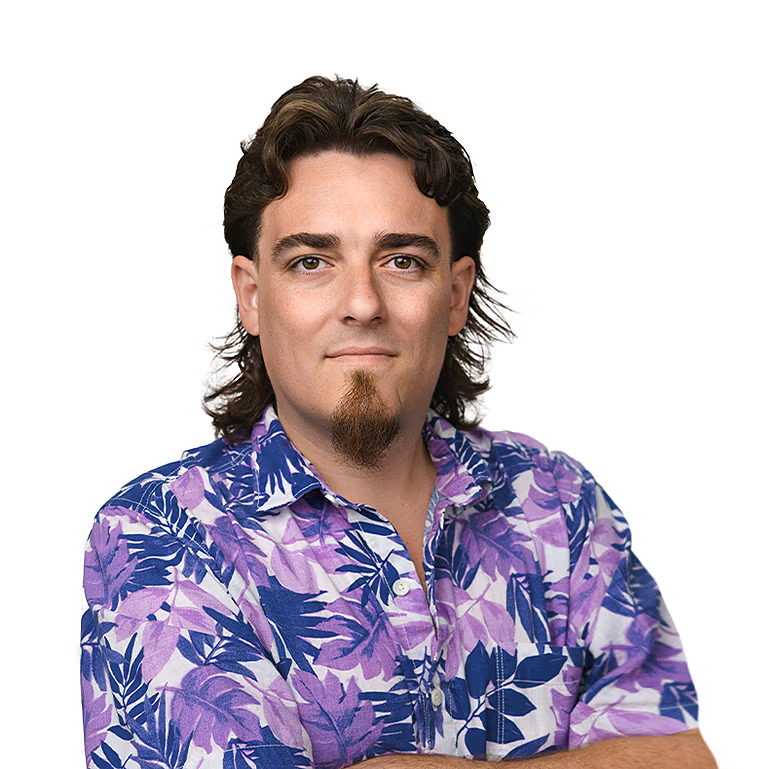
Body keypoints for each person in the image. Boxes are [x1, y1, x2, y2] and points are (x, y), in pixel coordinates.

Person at [80, 76, 716, 768]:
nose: (362, 302)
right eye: (312, 261)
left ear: (455, 294)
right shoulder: (160, 534)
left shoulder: (558, 504)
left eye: (402, 260)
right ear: (252, 296)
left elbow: (682, 758)